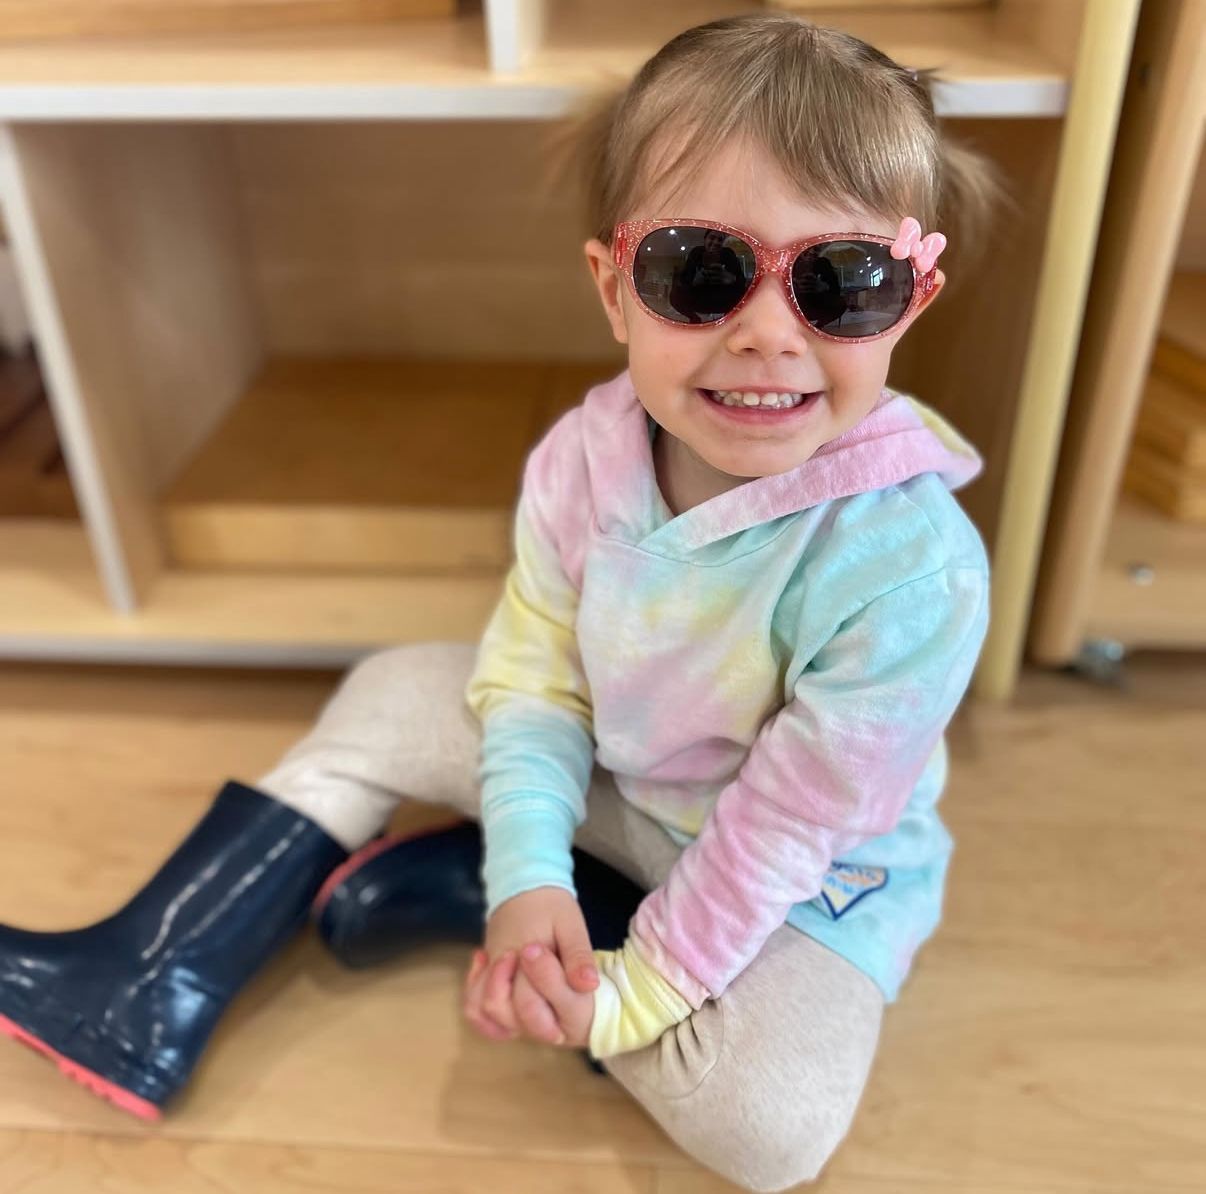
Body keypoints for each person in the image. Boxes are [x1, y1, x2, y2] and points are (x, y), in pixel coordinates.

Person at [0, 13, 1001, 1191]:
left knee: (772, 1136)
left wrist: (629, 996)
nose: (770, 334)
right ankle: (150, 975)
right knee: (389, 693)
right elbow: (534, 675)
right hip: (618, 781)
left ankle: (568, 920)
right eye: (702, 272)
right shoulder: (586, 457)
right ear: (615, 288)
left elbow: (786, 826)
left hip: (794, 869)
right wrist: (524, 871)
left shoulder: (911, 570)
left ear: (910, 303)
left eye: (841, 283)